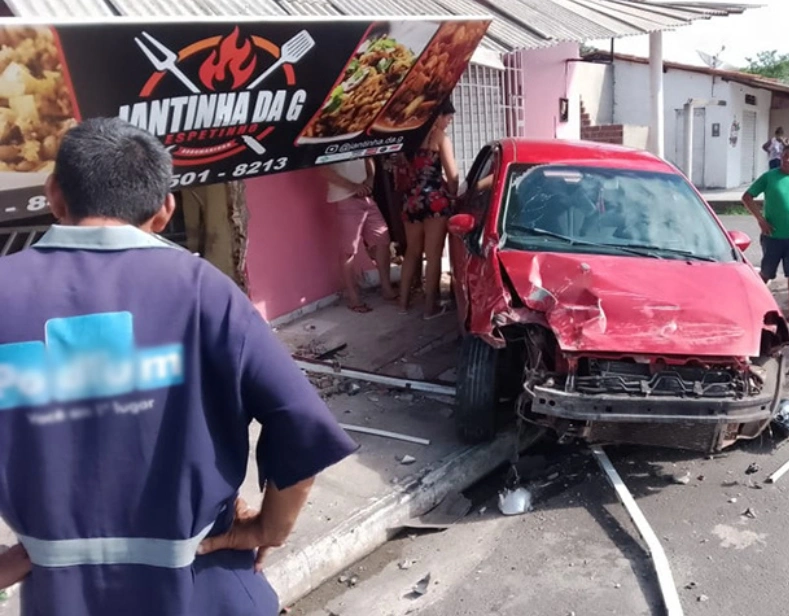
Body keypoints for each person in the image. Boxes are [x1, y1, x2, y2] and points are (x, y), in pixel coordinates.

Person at [0, 118, 358, 614]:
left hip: (60, 598)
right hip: (203, 589)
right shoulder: (203, 290)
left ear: (54, 194)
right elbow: (300, 426)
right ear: (165, 209)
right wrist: (269, 528)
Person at [742, 144, 789, 324]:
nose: (788, 160)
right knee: (767, 273)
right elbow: (747, 197)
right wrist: (760, 220)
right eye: (785, 156)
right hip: (772, 236)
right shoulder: (770, 177)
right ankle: (752, 307)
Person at [398, 98, 459, 319]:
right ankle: (429, 308)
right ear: (438, 116)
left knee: (411, 252)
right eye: (448, 118)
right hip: (434, 201)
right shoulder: (440, 138)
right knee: (433, 256)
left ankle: (402, 304)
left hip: (411, 201)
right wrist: (453, 194)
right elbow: (453, 177)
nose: (449, 122)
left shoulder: (409, 137)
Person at [321, 158, 397, 313]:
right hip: (345, 198)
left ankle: (387, 289)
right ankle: (353, 298)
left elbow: (368, 157)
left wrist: (369, 180)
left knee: (382, 240)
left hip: (366, 196)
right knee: (348, 250)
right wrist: (353, 187)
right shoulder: (326, 145)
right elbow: (323, 170)